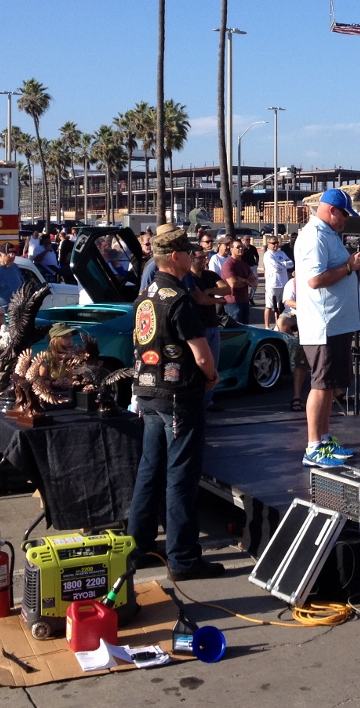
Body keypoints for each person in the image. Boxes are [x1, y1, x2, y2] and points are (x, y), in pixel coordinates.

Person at [125, 224, 224, 581]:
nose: (193, 256)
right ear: (177, 256)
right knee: (181, 475)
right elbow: (201, 354)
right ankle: (182, 557)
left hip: (147, 391)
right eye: (189, 252)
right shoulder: (179, 298)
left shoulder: (145, 297)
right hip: (179, 396)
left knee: (149, 471)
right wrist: (211, 376)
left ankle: (139, 546)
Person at [295, 189, 360, 467]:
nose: (347, 220)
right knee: (321, 385)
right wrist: (348, 267)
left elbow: (338, 273)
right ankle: (313, 447)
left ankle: (323, 438)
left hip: (336, 323)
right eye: (345, 214)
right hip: (323, 324)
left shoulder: (328, 234)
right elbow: (314, 280)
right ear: (332, 210)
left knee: (330, 385)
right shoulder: (314, 236)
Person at [188, 246, 229, 410]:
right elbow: (201, 300)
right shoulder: (188, 278)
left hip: (213, 325)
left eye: (205, 257)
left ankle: (208, 400)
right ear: (191, 257)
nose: (204, 260)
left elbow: (226, 288)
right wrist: (218, 300)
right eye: (200, 257)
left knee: (213, 364)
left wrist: (211, 290)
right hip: (199, 327)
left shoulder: (210, 275)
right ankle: (197, 400)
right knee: (199, 364)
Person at [220, 239, 255, 325]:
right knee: (236, 330)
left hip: (245, 301)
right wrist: (247, 281)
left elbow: (254, 282)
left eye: (242, 247)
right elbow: (233, 284)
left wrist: (243, 279)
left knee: (245, 328)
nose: (241, 249)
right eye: (238, 247)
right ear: (231, 249)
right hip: (233, 302)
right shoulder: (228, 265)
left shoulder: (245, 264)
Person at [261, 235, 294, 327]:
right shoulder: (268, 255)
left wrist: (282, 264)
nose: (275, 245)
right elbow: (276, 268)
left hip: (283, 283)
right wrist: (284, 264)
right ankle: (267, 326)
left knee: (280, 307)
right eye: (273, 243)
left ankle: (277, 325)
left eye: (277, 243)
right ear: (268, 244)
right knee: (269, 306)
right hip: (273, 284)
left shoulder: (281, 253)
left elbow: (291, 264)